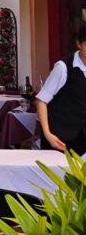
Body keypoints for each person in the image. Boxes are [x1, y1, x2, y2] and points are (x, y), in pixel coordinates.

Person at [36, 23, 86, 152]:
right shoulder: (63, 67)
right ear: (79, 44)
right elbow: (41, 100)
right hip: (59, 137)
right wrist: (47, 134)